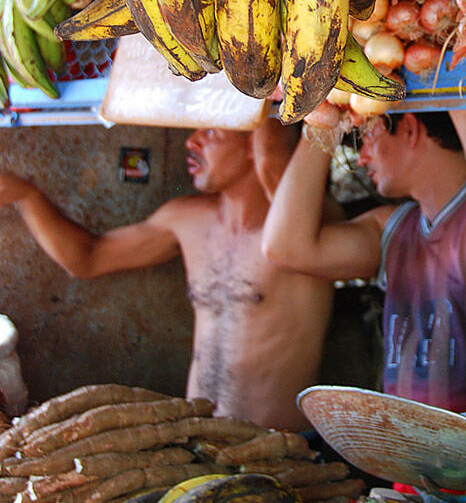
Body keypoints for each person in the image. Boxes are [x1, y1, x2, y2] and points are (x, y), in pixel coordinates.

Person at [0, 119, 334, 431]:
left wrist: (271, 135)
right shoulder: (186, 219)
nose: (190, 141)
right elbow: (87, 259)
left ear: (257, 144)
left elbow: (278, 170)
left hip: (284, 450)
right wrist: (26, 197)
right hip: (201, 444)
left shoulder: (312, 229)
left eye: (212, 131)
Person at [262, 106, 466, 413]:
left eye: (368, 136)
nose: (362, 157)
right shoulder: (394, 230)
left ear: (409, 128)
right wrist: (323, 124)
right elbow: (285, 247)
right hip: (412, 452)